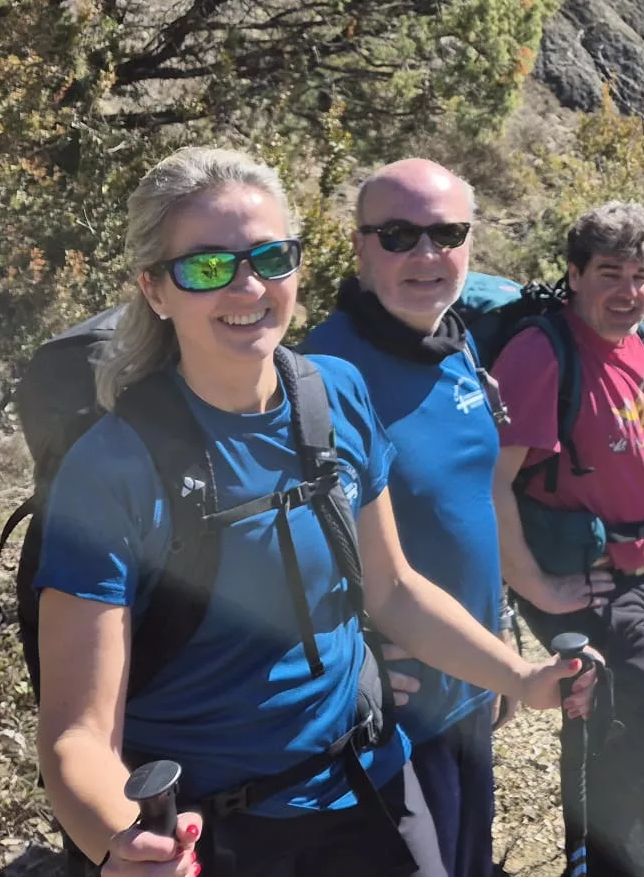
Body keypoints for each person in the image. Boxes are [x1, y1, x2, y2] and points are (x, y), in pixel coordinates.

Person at [33, 147, 592, 877]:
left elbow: (392, 591)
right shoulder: (113, 469)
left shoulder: (334, 395)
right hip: (214, 833)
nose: (248, 286)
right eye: (207, 266)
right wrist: (121, 842)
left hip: (368, 784)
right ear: (156, 290)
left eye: (271, 257)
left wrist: (519, 678)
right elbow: (77, 735)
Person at [488, 202, 644, 877]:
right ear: (574, 274)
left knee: (612, 732)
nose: (629, 291)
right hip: (584, 584)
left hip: (639, 573)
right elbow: (490, 481)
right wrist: (536, 587)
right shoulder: (540, 354)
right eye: (611, 273)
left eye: (642, 275)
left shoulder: (639, 338)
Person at [300, 160, 504, 877]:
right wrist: (350, 653)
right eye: (397, 235)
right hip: (395, 707)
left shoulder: (454, 342)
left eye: (446, 233)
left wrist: (495, 661)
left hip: (467, 678)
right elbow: (283, 548)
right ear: (359, 248)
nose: (425, 254)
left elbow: (469, 505)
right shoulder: (319, 376)